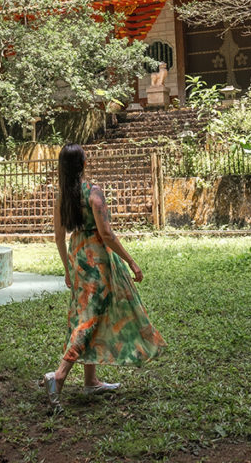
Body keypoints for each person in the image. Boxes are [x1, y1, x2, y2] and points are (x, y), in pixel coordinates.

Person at [41, 144, 166, 409]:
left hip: (77, 258)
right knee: (90, 318)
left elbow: (58, 238)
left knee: (85, 315)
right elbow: (106, 234)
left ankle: (90, 381)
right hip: (96, 260)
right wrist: (131, 261)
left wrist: (67, 268)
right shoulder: (93, 193)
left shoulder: (63, 198)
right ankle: (60, 375)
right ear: (82, 164)